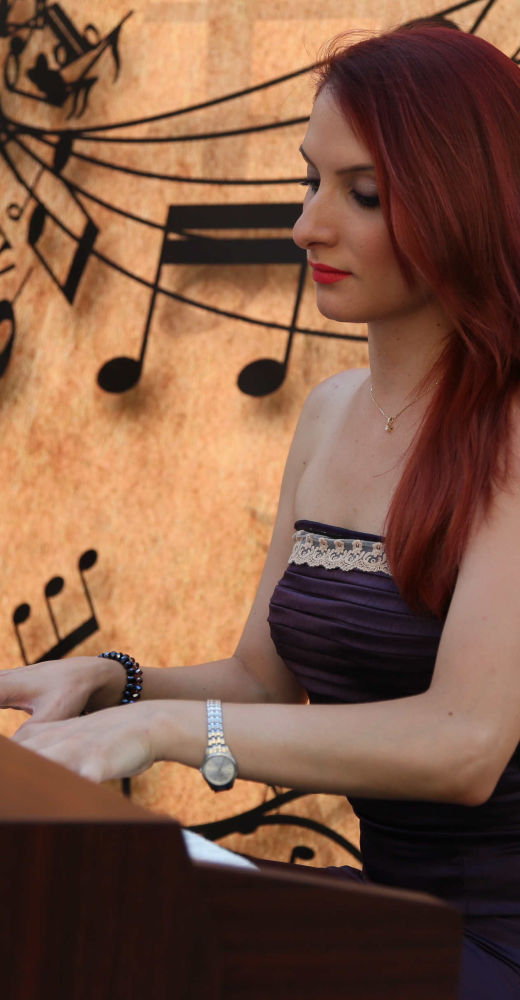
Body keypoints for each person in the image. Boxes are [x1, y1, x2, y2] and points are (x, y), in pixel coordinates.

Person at [2, 21, 520, 999]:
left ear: (463, 200)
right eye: (308, 181)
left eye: (362, 194)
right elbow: (263, 683)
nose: (306, 226)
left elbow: (464, 745)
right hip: (394, 914)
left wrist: (164, 732)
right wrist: (113, 684)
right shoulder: (328, 413)